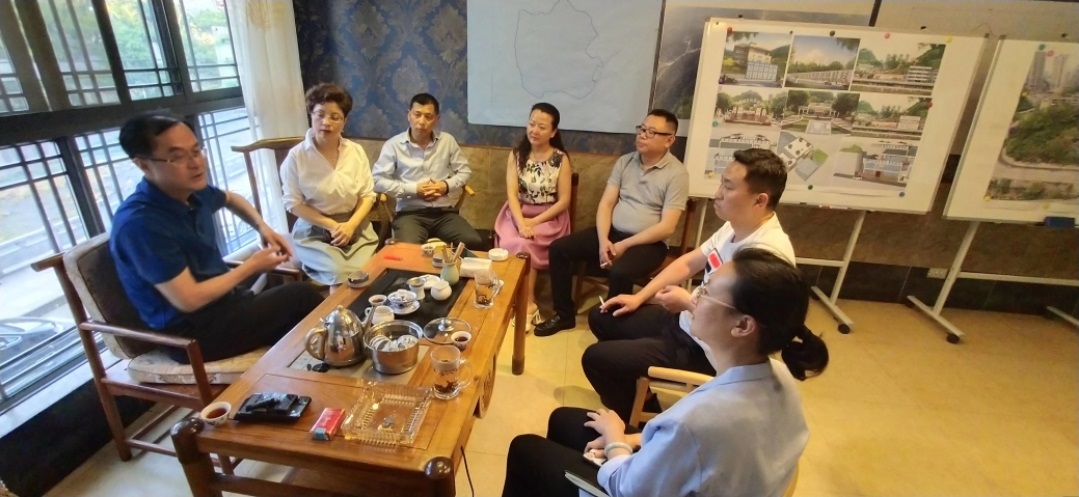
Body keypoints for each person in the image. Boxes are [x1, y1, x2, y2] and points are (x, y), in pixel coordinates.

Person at [502, 248, 829, 497]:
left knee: (526, 450)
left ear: (743, 325)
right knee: (565, 420)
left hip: (629, 486)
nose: (695, 297)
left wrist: (616, 442)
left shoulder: (698, 421)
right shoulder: (780, 375)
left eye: (707, 293)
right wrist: (634, 438)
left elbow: (627, 487)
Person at [583, 148, 795, 421]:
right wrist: (639, 297)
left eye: (728, 187)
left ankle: (644, 426)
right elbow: (688, 263)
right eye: (721, 183)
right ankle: (637, 395)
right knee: (602, 316)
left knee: (595, 359)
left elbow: (744, 329)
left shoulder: (768, 255)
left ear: (760, 200)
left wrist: (687, 303)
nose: (717, 193)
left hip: (708, 350)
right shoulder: (735, 225)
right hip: (689, 321)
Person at [111, 113, 323, 364]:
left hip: (227, 306)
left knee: (303, 330)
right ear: (143, 165)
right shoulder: (141, 224)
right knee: (301, 297)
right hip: (191, 335)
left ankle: (312, 375)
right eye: (178, 157)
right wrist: (251, 266)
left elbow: (232, 199)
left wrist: (263, 227)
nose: (195, 163)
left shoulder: (191, 192)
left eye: (196, 151)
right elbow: (188, 299)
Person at [534, 109, 689, 337]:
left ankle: (612, 329)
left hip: (650, 244)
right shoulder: (625, 162)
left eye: (651, 132)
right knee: (560, 249)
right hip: (614, 233)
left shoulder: (677, 174)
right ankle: (564, 315)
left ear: (669, 140)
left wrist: (625, 245)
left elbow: (667, 227)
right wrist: (603, 240)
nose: (642, 135)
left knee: (620, 271)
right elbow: (606, 204)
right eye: (642, 129)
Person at [280, 83, 378, 286]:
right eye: (320, 114)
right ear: (311, 115)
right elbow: (293, 203)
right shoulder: (296, 156)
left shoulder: (356, 151)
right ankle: (339, 308)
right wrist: (332, 226)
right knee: (340, 273)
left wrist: (350, 225)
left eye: (335, 117)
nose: (326, 122)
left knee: (370, 270)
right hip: (315, 231)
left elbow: (367, 195)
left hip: (355, 227)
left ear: (344, 121)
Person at [494, 102, 573, 327]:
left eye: (542, 127)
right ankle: (511, 298)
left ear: (553, 132)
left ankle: (528, 304)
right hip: (517, 212)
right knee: (513, 240)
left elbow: (564, 201)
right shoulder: (516, 155)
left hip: (549, 217)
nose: (534, 130)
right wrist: (521, 223)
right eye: (531, 124)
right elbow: (512, 193)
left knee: (524, 244)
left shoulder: (560, 158)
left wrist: (533, 222)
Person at [372, 93, 482, 248]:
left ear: (437, 119)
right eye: (417, 115)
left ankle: (450, 266)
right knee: (407, 250)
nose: (422, 122)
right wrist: (414, 189)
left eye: (428, 116)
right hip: (410, 214)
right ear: (408, 115)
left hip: (443, 213)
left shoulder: (447, 141)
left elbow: (464, 171)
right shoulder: (393, 145)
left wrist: (445, 186)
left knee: (473, 242)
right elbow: (377, 181)